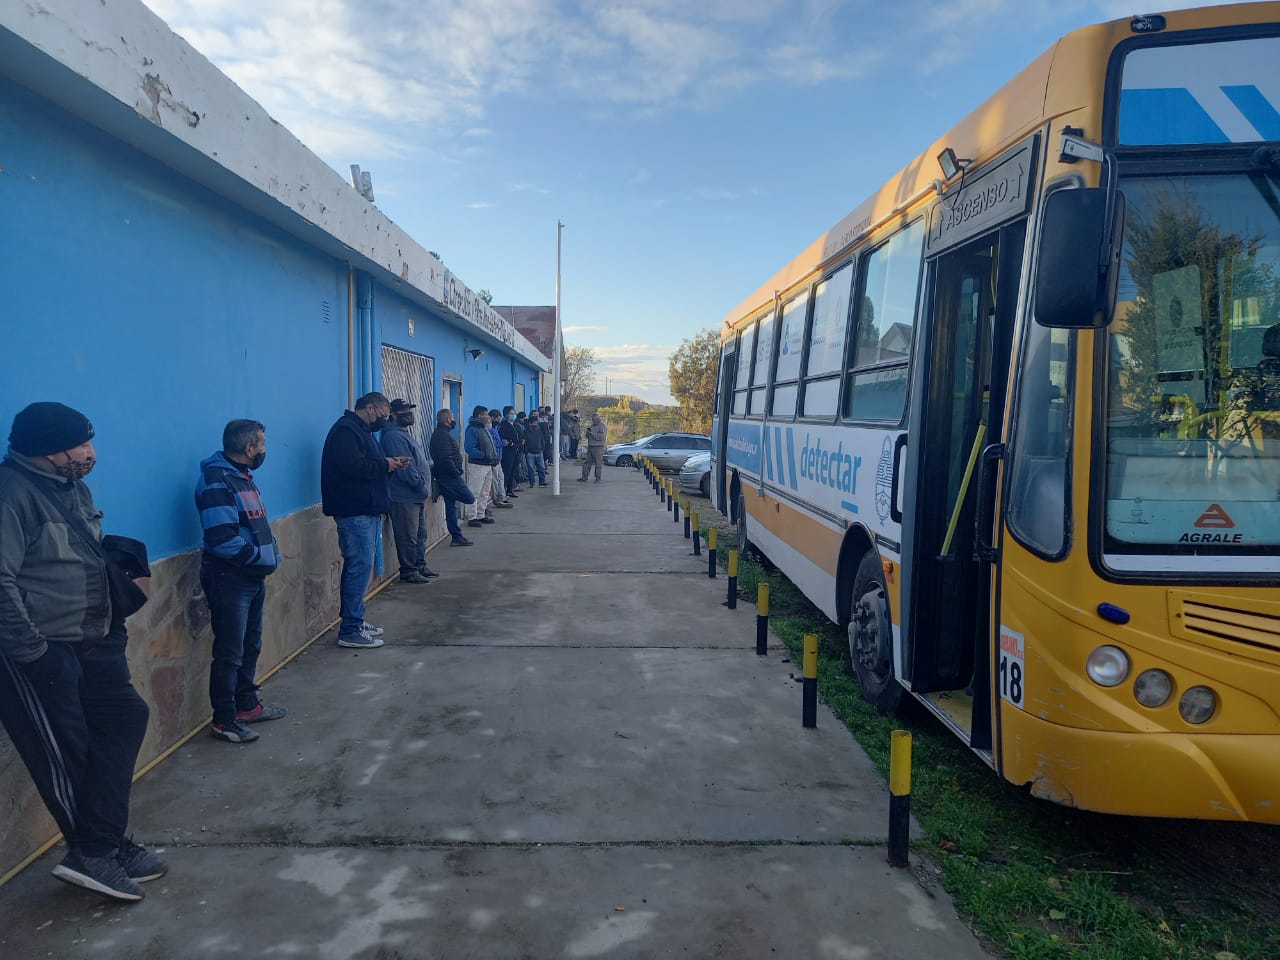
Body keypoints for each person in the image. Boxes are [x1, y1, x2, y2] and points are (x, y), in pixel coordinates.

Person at [0, 402, 166, 901]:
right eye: (81, 445)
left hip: (95, 641)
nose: (90, 454)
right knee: (66, 751)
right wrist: (34, 652)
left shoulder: (70, 486)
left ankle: (101, 843)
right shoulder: (11, 494)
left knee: (125, 719)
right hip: (40, 652)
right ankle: (96, 851)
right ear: (47, 449)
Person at [194, 419, 287, 745]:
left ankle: (247, 705)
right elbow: (223, 540)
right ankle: (224, 720)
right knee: (230, 652)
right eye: (262, 444)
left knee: (250, 644)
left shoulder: (242, 477)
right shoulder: (218, 480)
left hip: (250, 575)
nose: (264, 450)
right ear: (249, 448)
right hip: (230, 577)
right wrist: (259, 559)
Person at [321, 392, 409, 649]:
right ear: (369, 409)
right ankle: (349, 629)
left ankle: (356, 620)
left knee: (360, 568)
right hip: (354, 511)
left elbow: (367, 463)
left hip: (365, 510)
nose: (384, 420)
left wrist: (388, 464)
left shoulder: (362, 431)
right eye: (382, 415)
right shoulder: (346, 432)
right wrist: (385, 466)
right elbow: (354, 468)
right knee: (357, 569)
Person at [379, 399, 439, 584]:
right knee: (407, 536)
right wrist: (420, 484)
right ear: (393, 415)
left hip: (416, 496)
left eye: (409, 410)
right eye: (403, 411)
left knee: (420, 535)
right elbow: (405, 467)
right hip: (404, 495)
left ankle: (419, 564)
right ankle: (408, 570)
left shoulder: (404, 434)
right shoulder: (394, 437)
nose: (408, 413)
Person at [428, 408, 475, 546]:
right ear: (448, 419)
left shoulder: (442, 433)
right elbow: (444, 458)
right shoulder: (441, 435)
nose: (454, 419)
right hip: (449, 478)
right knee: (469, 498)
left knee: (451, 507)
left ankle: (456, 536)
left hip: (447, 477)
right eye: (453, 417)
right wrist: (455, 472)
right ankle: (444, 489)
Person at [463, 405, 499, 527]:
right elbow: (469, 448)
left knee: (484, 492)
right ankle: (472, 517)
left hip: (487, 464)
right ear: (479, 416)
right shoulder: (472, 429)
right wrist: (483, 455)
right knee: (475, 491)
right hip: (478, 465)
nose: (488, 417)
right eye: (485, 414)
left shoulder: (484, 428)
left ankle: (481, 514)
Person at [487, 409, 514, 509]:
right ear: (493, 418)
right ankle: (497, 498)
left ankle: (502, 497)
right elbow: (492, 443)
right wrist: (503, 443)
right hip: (493, 458)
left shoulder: (495, 429)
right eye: (497, 419)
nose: (498, 420)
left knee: (500, 478)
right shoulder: (489, 429)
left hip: (498, 457)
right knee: (495, 480)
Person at [498, 406, 522, 498]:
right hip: (508, 451)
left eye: (514, 413)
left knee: (513, 471)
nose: (513, 415)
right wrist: (510, 443)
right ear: (506, 414)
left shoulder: (515, 425)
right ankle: (503, 491)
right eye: (511, 413)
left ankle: (509, 490)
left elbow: (519, 436)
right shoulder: (503, 426)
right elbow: (503, 437)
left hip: (516, 451)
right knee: (506, 471)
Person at [578, 411, 608, 482]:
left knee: (598, 463)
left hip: (598, 447)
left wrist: (591, 433)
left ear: (598, 419)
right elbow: (588, 436)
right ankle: (584, 477)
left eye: (594, 420)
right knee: (587, 463)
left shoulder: (602, 426)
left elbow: (601, 437)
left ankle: (598, 478)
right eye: (592, 420)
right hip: (590, 446)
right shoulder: (592, 426)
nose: (593, 422)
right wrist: (587, 433)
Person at [523, 410, 548, 486]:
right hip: (530, 453)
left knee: (541, 468)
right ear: (530, 423)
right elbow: (523, 442)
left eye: (536, 422)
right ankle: (532, 483)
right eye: (534, 422)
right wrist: (526, 451)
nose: (536, 424)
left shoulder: (538, 430)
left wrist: (542, 448)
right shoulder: (525, 431)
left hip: (539, 451)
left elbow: (542, 440)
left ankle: (542, 482)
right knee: (531, 469)